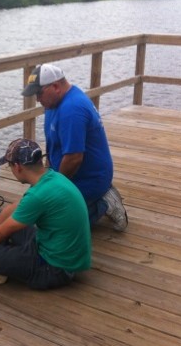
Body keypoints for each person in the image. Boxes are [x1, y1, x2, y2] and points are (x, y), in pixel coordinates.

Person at [0, 138, 91, 288]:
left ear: (18, 166)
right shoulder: (51, 177)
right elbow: (15, 207)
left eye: (9, 166)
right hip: (57, 249)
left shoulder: (38, 196)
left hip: (54, 269)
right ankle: (0, 259)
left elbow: (0, 233)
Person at [21, 63, 128, 231]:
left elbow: (74, 158)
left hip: (88, 179)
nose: (37, 99)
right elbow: (53, 143)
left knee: (55, 225)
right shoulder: (53, 103)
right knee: (34, 209)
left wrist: (53, 188)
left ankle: (104, 202)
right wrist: (46, 178)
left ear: (55, 86)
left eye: (39, 93)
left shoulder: (72, 109)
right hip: (69, 173)